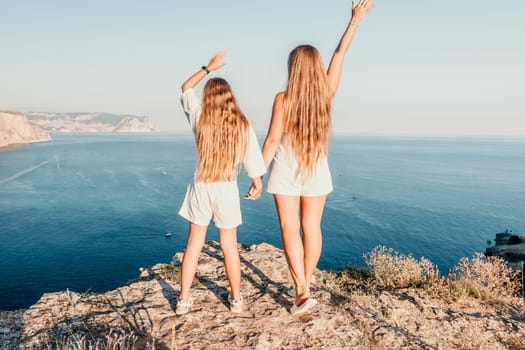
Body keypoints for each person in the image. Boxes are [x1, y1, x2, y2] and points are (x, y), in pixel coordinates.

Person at [252, 0, 374, 315]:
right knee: (313, 228)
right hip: (316, 171)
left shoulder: (283, 98)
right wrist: (354, 22)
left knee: (290, 229)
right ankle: (305, 286)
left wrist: (256, 175)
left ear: (293, 67)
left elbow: (272, 140)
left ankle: (302, 291)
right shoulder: (326, 94)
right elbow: (340, 54)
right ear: (316, 67)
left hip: (285, 171)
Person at [177, 51, 266, 315]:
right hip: (226, 188)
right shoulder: (242, 125)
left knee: (194, 244)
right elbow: (252, 157)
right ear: (231, 98)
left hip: (201, 187)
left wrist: (208, 68)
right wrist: (256, 182)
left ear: (208, 97)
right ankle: (236, 299)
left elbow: (185, 88)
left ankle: (183, 300)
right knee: (229, 247)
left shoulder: (200, 119)